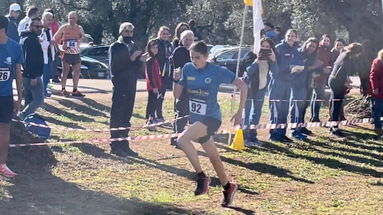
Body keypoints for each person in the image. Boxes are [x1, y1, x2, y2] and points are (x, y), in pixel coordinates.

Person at [173, 41, 247, 207]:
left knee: (181, 140)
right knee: (214, 158)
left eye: (198, 58)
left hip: (212, 118)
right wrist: (176, 79)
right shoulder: (187, 68)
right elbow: (177, 95)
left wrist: (239, 112)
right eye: (192, 57)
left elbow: (242, 85)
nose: (194, 61)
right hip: (197, 119)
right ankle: (228, 187)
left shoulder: (216, 71)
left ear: (206, 57)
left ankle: (201, 177)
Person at [108, 22, 146, 157]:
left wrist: (140, 60)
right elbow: (115, 67)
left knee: (127, 115)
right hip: (120, 85)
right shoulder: (116, 47)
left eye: (131, 32)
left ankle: (124, 143)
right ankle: (115, 144)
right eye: (126, 31)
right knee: (117, 115)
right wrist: (131, 58)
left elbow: (134, 68)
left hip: (131, 84)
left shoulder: (132, 45)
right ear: (121, 32)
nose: (129, 34)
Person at [0, 15, 24, 178]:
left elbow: (18, 75)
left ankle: (2, 164)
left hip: (5, 96)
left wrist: (20, 97)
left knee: (4, 129)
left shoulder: (15, 48)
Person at [244, 38, 278, 146]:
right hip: (250, 88)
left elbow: (275, 73)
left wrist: (274, 60)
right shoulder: (251, 55)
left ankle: (252, 136)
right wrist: (256, 61)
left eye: (267, 47)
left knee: (257, 112)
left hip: (262, 88)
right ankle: (245, 137)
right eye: (263, 46)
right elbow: (249, 71)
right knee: (248, 112)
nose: (264, 49)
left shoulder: (269, 59)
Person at [269, 29, 299, 143]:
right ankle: (273, 134)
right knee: (276, 109)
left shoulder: (295, 50)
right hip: (277, 81)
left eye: (293, 36)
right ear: (285, 36)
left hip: (288, 82)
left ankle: (282, 133)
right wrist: (287, 67)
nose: (290, 38)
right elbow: (274, 66)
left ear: (296, 38)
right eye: (289, 36)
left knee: (284, 110)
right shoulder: (279, 48)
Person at [328, 42, 363, 136]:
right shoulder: (346, 59)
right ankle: (334, 128)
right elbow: (338, 75)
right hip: (336, 83)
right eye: (359, 53)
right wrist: (346, 84)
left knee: (334, 103)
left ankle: (332, 124)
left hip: (333, 80)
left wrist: (347, 79)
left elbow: (341, 72)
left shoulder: (344, 54)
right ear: (356, 52)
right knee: (336, 105)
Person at [290, 37, 320, 140]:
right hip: (296, 84)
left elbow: (311, 69)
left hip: (306, 84)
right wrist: (313, 67)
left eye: (314, 47)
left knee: (302, 107)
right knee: (295, 108)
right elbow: (297, 69)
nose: (311, 48)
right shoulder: (299, 53)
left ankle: (300, 128)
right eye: (310, 45)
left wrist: (318, 69)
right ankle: (294, 131)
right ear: (306, 44)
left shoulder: (313, 56)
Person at [170, 30, 194, 146]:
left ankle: (183, 137)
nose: (188, 42)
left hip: (193, 86)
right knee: (182, 111)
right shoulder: (179, 51)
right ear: (181, 40)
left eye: (190, 39)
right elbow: (184, 68)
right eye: (186, 39)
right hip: (181, 85)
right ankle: (176, 137)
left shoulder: (193, 52)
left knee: (189, 112)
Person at [54, 11, 85, 97]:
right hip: (66, 53)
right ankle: (63, 89)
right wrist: (60, 47)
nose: (71, 20)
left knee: (77, 71)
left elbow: (84, 38)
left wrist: (81, 39)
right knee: (65, 71)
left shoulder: (79, 28)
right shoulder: (64, 27)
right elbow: (55, 38)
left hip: (76, 53)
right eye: (70, 18)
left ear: (77, 19)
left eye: (73, 18)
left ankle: (75, 90)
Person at [18, 18, 44, 120]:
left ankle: (26, 121)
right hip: (32, 75)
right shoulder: (31, 40)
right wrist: (33, 76)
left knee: (28, 99)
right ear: (30, 26)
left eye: (41, 27)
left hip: (26, 74)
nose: (39, 29)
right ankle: (23, 115)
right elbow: (30, 59)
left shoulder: (24, 38)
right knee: (39, 99)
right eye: (37, 27)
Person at [310, 34, 332, 123]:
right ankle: (315, 116)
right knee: (318, 96)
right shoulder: (317, 50)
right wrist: (322, 69)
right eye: (324, 40)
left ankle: (314, 116)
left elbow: (329, 62)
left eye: (328, 41)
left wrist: (329, 68)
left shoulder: (328, 52)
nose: (326, 42)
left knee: (316, 96)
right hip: (317, 75)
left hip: (323, 76)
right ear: (321, 41)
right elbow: (315, 63)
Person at [155, 26, 173, 123]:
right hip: (156, 71)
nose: (165, 35)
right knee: (155, 94)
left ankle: (159, 115)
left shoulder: (169, 44)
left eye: (167, 34)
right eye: (163, 33)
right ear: (159, 33)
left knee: (162, 94)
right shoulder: (155, 43)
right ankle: (151, 116)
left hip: (166, 71)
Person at [144, 39, 162, 129]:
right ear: (149, 48)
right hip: (152, 86)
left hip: (157, 85)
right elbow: (150, 75)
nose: (155, 49)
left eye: (156, 48)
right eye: (153, 47)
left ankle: (151, 118)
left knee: (154, 101)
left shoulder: (155, 59)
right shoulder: (149, 60)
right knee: (151, 102)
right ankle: (149, 119)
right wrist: (154, 86)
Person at [40, 12, 55, 97]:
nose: (50, 22)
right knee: (43, 74)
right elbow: (41, 43)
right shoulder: (41, 30)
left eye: (51, 20)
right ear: (44, 19)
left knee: (48, 74)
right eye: (49, 20)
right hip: (42, 56)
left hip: (49, 55)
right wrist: (49, 43)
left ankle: (45, 90)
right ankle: (42, 91)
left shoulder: (49, 30)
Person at [368, 49, 383, 136]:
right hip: (378, 90)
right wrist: (375, 88)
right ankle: (377, 127)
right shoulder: (377, 62)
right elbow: (373, 76)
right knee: (377, 108)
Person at [44, 8, 61, 83]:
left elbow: (55, 37)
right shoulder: (42, 27)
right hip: (48, 48)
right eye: (48, 19)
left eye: (51, 18)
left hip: (53, 47)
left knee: (53, 63)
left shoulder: (54, 25)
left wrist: (57, 47)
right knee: (49, 65)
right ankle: (53, 77)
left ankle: (53, 77)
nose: (50, 21)